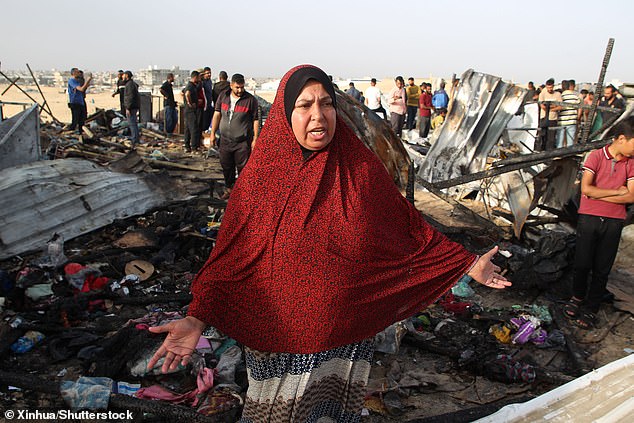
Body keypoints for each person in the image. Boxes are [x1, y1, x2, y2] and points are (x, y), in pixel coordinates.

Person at [147, 65, 511, 422]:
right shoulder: (261, 178)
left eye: (326, 103)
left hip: (345, 342)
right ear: (285, 114)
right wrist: (197, 317)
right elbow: (230, 257)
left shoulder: (360, 170)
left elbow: (409, 233)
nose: (318, 115)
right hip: (279, 345)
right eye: (304, 105)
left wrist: (464, 263)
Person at [564, 118, 634, 329]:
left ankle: (591, 307)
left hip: (614, 220)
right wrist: (616, 192)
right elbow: (586, 189)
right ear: (622, 139)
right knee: (582, 263)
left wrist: (598, 195)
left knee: (602, 267)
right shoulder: (596, 156)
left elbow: (631, 197)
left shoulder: (631, 164)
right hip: (589, 217)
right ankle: (577, 297)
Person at [209, 73, 260, 199]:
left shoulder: (250, 100)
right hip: (225, 140)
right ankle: (229, 189)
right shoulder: (223, 97)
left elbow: (255, 120)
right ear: (231, 85)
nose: (240, 90)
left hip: (242, 141)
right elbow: (217, 115)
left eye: (242, 87)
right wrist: (212, 134)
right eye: (237, 87)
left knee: (243, 167)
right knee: (226, 166)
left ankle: (242, 193)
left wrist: (255, 138)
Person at [537, 78, 562, 151]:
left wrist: (550, 108)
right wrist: (553, 106)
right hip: (544, 118)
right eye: (548, 87)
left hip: (553, 119)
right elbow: (542, 106)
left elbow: (560, 106)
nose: (549, 89)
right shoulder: (542, 94)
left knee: (551, 138)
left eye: (551, 87)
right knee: (542, 136)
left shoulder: (557, 94)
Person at [557, 79, 582, 147]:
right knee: (570, 141)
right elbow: (580, 108)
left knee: (560, 141)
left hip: (561, 121)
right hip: (572, 120)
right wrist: (578, 117)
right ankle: (569, 155)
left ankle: (558, 155)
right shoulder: (575, 97)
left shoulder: (561, 97)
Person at [67, 68, 92, 134]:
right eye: (77, 72)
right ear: (74, 73)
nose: (79, 73)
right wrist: (88, 80)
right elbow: (81, 89)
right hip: (75, 102)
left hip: (80, 102)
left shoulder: (77, 81)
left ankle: (80, 133)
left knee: (82, 120)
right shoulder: (72, 81)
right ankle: (71, 133)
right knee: (75, 120)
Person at [183, 70, 201, 152]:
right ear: (195, 77)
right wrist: (190, 103)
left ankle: (187, 146)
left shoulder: (193, 86)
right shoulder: (190, 86)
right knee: (194, 128)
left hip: (187, 110)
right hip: (190, 111)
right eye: (199, 77)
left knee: (187, 129)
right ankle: (194, 147)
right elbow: (187, 94)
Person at [123, 70, 140, 146]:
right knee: (134, 124)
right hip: (134, 106)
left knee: (132, 124)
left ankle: (134, 140)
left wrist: (128, 108)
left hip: (131, 107)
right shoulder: (132, 84)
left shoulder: (129, 85)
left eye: (124, 75)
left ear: (127, 75)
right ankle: (136, 139)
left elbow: (130, 97)